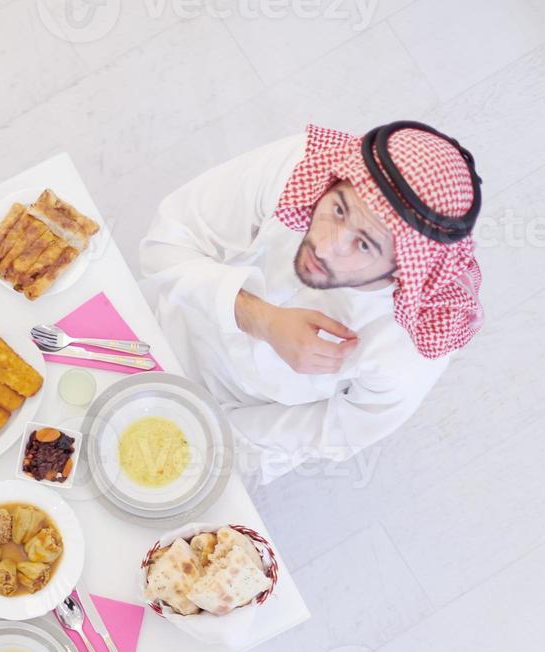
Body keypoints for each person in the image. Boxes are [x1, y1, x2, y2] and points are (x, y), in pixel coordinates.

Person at [139, 121, 484, 486]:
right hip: (166, 322)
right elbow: (166, 241)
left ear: (403, 272)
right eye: (338, 210)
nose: (324, 244)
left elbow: (340, 429)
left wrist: (206, 432)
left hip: (238, 425)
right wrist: (261, 319)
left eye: (363, 245)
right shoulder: (303, 167)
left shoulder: (410, 349)